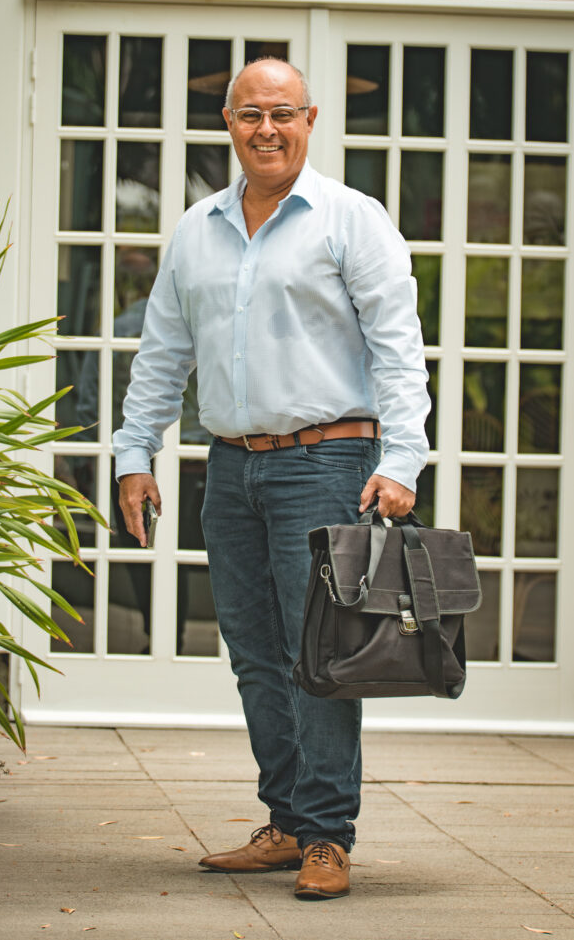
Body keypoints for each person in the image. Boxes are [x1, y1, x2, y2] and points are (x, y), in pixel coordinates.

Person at [113, 57, 430, 900]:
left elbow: (398, 348)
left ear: (309, 120)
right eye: (250, 113)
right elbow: (163, 352)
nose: (266, 129)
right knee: (255, 654)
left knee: (318, 654)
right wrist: (135, 452)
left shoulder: (350, 219)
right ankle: (286, 820)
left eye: (282, 113)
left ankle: (326, 834)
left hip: (326, 462)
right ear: (228, 122)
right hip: (230, 468)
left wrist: (402, 458)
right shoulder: (196, 229)